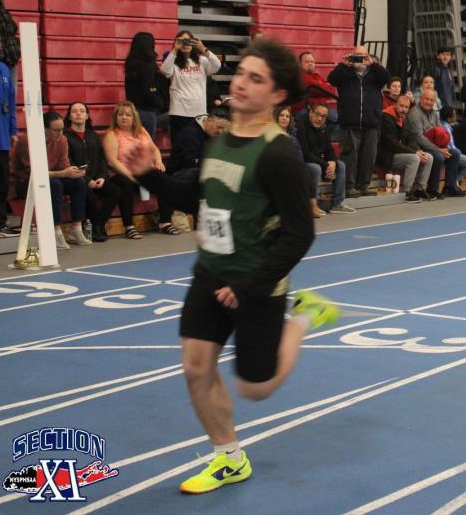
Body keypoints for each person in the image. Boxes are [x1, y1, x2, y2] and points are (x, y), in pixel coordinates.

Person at [121, 37, 338, 495]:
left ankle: (305, 316)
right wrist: (149, 175)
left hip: (258, 281)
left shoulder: (279, 154)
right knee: (196, 366)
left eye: (255, 79)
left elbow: (300, 234)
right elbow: (196, 196)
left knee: (256, 387)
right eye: (240, 73)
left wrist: (250, 285)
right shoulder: (219, 141)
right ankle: (229, 459)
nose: (240, 83)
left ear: (277, 95)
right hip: (212, 271)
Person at [11, 111, 91, 249]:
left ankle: (76, 228)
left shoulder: (62, 140)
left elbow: (64, 165)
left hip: (52, 176)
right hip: (24, 181)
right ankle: (55, 231)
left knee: (79, 182)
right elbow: (34, 173)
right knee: (55, 184)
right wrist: (63, 173)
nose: (60, 134)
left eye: (62, 129)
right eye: (56, 130)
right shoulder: (28, 140)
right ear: (44, 129)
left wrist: (73, 173)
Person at [102, 100, 177, 238]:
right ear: (116, 117)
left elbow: (154, 148)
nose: (124, 117)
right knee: (126, 183)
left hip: (144, 172)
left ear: (134, 117)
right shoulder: (112, 134)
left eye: (128, 115)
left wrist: (158, 161)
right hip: (121, 173)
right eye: (120, 114)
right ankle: (129, 226)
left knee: (165, 179)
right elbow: (112, 161)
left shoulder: (141, 131)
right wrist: (130, 175)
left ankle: (165, 222)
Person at [328, 45, 389, 198]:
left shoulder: (374, 73)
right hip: (350, 122)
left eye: (363, 55)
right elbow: (331, 80)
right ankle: (349, 186)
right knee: (350, 155)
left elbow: (386, 78)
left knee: (369, 156)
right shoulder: (345, 72)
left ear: (368, 56)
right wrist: (343, 65)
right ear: (352, 55)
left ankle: (364, 185)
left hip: (371, 122)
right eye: (357, 55)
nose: (360, 58)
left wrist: (373, 64)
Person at [64, 102, 122, 242]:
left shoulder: (93, 135)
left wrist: (102, 177)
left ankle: (99, 223)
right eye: (74, 111)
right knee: (87, 192)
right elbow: (68, 161)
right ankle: (96, 227)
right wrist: (87, 179)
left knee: (115, 191)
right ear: (69, 116)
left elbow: (102, 159)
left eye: (82, 111)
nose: (78, 113)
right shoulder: (65, 136)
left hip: (96, 178)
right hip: (77, 179)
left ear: (87, 115)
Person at [296, 102, 356, 216]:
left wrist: (332, 162)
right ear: (310, 113)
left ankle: (337, 203)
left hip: (320, 163)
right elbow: (306, 154)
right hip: (304, 163)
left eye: (323, 116)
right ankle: (313, 205)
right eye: (317, 114)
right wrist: (326, 165)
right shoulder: (301, 128)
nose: (320, 119)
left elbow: (329, 150)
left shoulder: (325, 129)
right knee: (315, 168)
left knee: (340, 165)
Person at [161, 30, 222, 142]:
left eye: (188, 41)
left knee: (197, 145)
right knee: (179, 145)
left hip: (199, 112)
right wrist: (175, 49)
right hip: (179, 111)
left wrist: (203, 49)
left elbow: (217, 65)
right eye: (182, 41)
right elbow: (165, 71)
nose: (186, 44)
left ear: (194, 42)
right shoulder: (173, 61)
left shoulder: (202, 61)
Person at [405, 88, 463, 198]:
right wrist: (439, 149)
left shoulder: (435, 114)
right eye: (426, 99)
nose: (429, 102)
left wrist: (444, 148)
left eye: (432, 100)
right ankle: (432, 189)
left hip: (434, 146)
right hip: (418, 146)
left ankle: (449, 187)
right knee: (438, 156)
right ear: (420, 99)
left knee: (455, 153)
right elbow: (419, 138)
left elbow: (443, 133)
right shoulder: (414, 114)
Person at [378, 94, 433, 202]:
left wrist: (418, 150)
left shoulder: (404, 118)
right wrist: (414, 153)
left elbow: (410, 138)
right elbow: (392, 144)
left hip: (400, 153)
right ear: (395, 104)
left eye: (406, 107)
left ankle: (419, 190)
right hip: (387, 155)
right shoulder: (386, 117)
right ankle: (407, 192)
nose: (403, 109)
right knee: (414, 158)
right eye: (401, 106)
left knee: (428, 157)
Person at [0, 29, 17, 234]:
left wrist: (13, 129)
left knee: (0, 182)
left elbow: (11, 102)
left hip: (0, 138)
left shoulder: (4, 69)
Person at [124, 32, 163, 139]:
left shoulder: (131, 64)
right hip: (148, 112)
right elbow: (149, 90)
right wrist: (160, 103)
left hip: (134, 110)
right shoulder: (148, 66)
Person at [440, 105, 466, 195]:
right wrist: (460, 153)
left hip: (449, 152)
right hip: (450, 154)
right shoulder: (446, 128)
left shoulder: (444, 125)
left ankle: (455, 180)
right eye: (454, 115)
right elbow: (451, 147)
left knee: (465, 164)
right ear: (449, 118)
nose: (456, 116)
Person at [291, 52, 339, 118]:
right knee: (335, 117)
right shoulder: (300, 76)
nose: (310, 63)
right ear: (300, 64)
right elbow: (316, 89)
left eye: (312, 62)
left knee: (340, 115)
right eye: (307, 62)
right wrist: (323, 87)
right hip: (305, 109)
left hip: (320, 109)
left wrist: (322, 88)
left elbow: (331, 91)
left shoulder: (317, 76)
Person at [430, 45, 457, 111]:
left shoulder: (448, 69)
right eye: (443, 54)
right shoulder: (435, 70)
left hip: (447, 104)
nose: (446, 57)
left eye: (448, 55)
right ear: (438, 56)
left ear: (450, 57)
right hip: (439, 105)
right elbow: (431, 89)